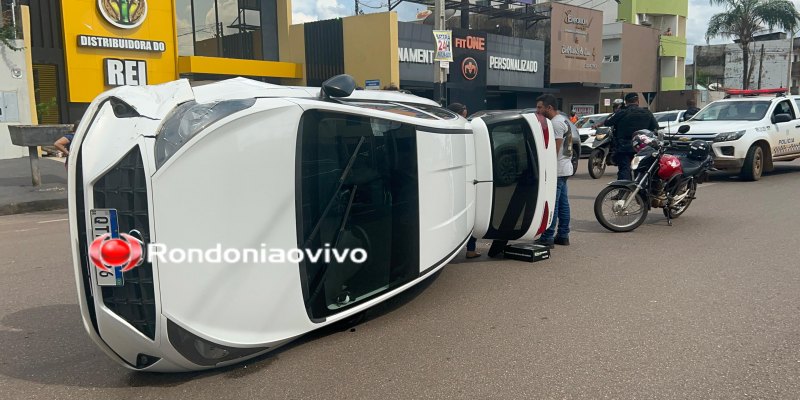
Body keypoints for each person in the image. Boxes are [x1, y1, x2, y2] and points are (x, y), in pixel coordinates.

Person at [534, 94, 572, 248]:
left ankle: (548, 237)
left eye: (539, 107)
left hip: (557, 170)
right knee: (563, 203)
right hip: (564, 168)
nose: (537, 110)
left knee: (553, 204)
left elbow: (554, 149)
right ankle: (563, 235)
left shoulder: (555, 124)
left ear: (549, 108)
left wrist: (546, 169)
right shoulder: (563, 119)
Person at [447, 103, 481, 258]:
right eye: (464, 116)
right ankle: (470, 249)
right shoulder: (463, 130)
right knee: (469, 214)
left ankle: (464, 248)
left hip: (455, 179)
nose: (465, 119)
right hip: (463, 179)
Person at [604, 93, 659, 181]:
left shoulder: (622, 112)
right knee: (641, 169)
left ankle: (624, 192)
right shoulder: (647, 112)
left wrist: (618, 109)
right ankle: (640, 192)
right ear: (638, 101)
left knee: (625, 169)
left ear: (625, 102)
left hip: (624, 145)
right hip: (642, 146)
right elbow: (655, 127)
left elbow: (607, 122)